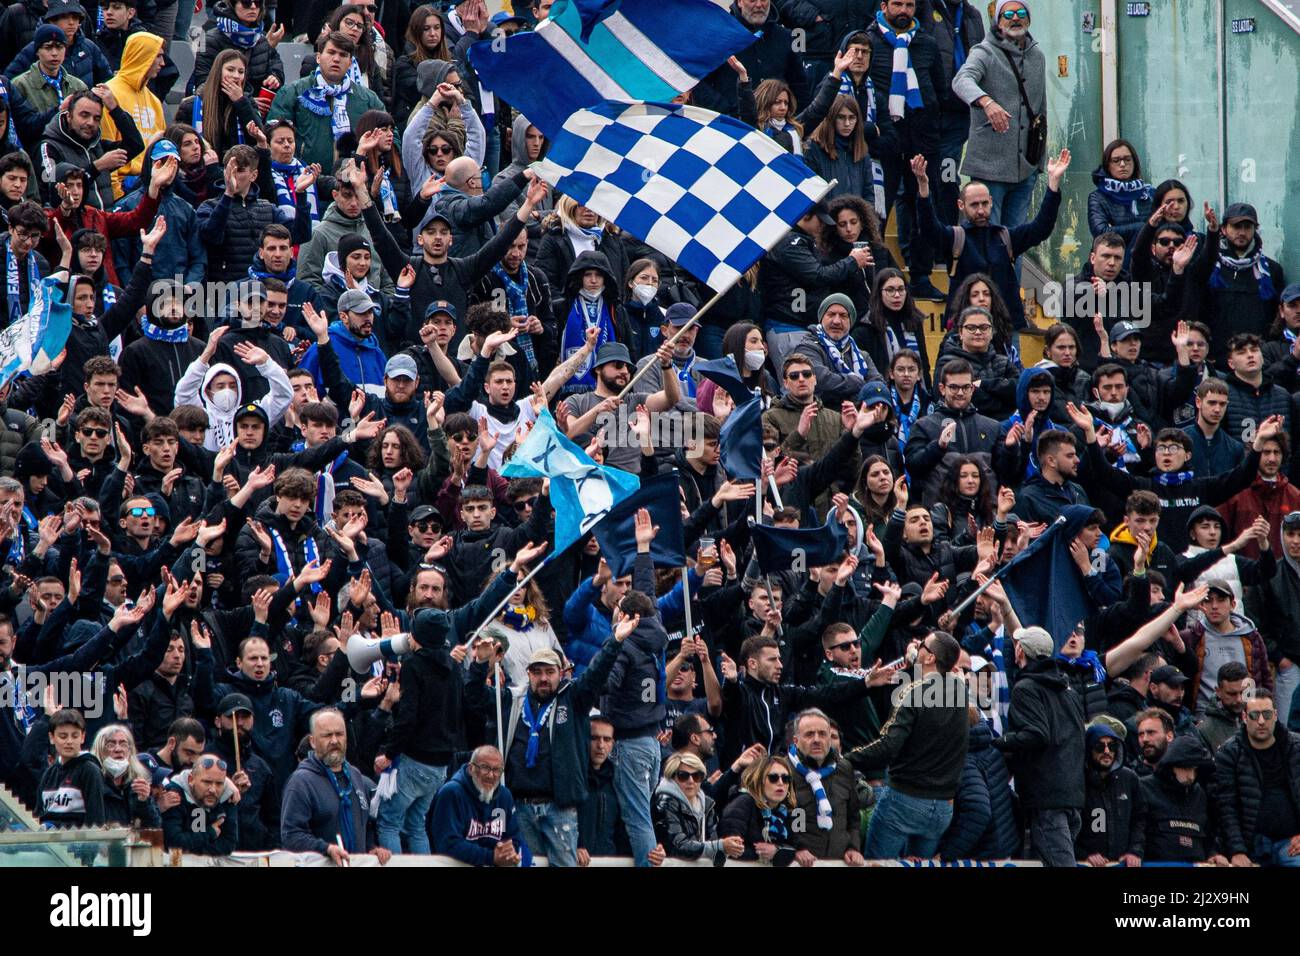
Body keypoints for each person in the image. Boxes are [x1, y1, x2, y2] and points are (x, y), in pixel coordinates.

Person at [846, 632, 967, 859]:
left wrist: (847, 758)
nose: (916, 646)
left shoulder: (912, 692)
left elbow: (888, 747)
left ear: (930, 658)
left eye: (922, 644)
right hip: (942, 809)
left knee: (877, 864)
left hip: (904, 801)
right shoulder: (960, 691)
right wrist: (915, 658)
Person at [867, 0, 944, 300]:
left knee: (923, 205)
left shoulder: (926, 43)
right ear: (884, 6)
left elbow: (939, 89)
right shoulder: (869, 41)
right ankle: (875, 276)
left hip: (921, 139)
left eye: (909, 5)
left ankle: (921, 274)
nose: (903, 10)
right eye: (897, 4)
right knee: (878, 208)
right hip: (885, 138)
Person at [993, 626, 1085, 866]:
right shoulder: (1069, 691)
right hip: (1072, 794)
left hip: (1046, 799)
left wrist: (998, 741)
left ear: (1020, 651)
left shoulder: (1026, 688)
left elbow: (1036, 735)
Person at [951, 0, 1044, 229]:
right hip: (989, 168)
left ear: (1028, 19)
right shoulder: (984, 51)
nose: (1015, 18)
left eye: (1021, 12)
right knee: (988, 239)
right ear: (998, 21)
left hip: (1025, 168)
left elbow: (1041, 112)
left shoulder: (1037, 56)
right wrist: (986, 102)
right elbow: (961, 80)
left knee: (1016, 241)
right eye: (1008, 14)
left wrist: (1039, 162)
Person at [1183, 202, 1286, 367]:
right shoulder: (1210, 266)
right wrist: (1212, 232)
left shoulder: (1271, 271)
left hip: (1256, 359)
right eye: (1236, 226)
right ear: (1224, 229)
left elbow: (1277, 316)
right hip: (1216, 359)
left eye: (1247, 227)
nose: (1242, 232)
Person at [281, 708, 389, 865]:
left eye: (339, 734)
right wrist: (326, 849)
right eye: (327, 735)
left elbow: (365, 826)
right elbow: (291, 835)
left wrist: (372, 848)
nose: (334, 741)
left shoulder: (356, 776)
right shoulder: (301, 782)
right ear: (312, 741)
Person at [265, 32, 386, 171]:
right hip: (305, 180)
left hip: (352, 183)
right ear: (318, 57)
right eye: (331, 52)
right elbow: (272, 135)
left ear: (351, 62)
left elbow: (390, 134)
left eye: (343, 55)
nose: (336, 59)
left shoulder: (367, 99)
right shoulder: (292, 92)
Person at [1214, 690, 1300, 867]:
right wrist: (1237, 851)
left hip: (1292, 844)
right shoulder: (1229, 753)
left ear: (1275, 715)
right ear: (1244, 717)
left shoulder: (1296, 747)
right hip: (1251, 846)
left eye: (1267, 714)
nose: (1261, 721)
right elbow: (1226, 806)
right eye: (1254, 715)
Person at [38, 87, 144, 209]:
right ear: (68, 116)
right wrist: (96, 167)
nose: (90, 123)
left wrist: (115, 109)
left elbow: (135, 144)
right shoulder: (48, 147)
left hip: (103, 222)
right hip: (71, 224)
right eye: (84, 115)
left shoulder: (97, 147)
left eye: (96, 118)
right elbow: (52, 190)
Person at [430, 746, 525, 867]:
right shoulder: (451, 793)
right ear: (471, 768)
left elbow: (514, 839)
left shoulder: (505, 796)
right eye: (485, 767)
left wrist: (509, 853)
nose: (491, 775)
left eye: (497, 770)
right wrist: (491, 857)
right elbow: (448, 844)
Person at [1139, 734, 1224, 864]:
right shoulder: (1145, 788)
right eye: (1186, 768)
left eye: (1194, 770)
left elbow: (1208, 834)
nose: (1191, 776)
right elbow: (1136, 832)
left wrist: (1212, 854)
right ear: (1171, 765)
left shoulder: (1199, 794)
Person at [651, 751, 744, 864]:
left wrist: (730, 848)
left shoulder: (707, 804)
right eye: (683, 776)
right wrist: (720, 845)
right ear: (672, 777)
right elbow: (678, 845)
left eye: (696, 776)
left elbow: (712, 843)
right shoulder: (665, 802)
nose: (691, 781)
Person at [1076, 716, 1144, 866]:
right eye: (1100, 747)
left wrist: (1135, 850)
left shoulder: (1129, 778)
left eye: (1112, 746)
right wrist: (1084, 854)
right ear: (1089, 749)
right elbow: (1068, 826)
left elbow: (1139, 819)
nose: (1107, 751)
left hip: (1123, 863)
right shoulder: (1077, 780)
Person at [718, 753, 798, 866]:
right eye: (773, 778)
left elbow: (798, 846)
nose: (781, 783)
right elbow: (731, 849)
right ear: (758, 780)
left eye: (786, 779)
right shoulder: (742, 803)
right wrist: (762, 853)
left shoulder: (788, 810)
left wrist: (777, 850)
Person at [1087, 138, 1152, 265]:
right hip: (1111, 264)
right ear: (1107, 164)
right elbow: (1101, 233)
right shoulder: (1097, 197)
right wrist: (1142, 227)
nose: (1122, 164)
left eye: (1127, 159)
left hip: (1144, 263)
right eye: (1116, 160)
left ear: (1135, 162)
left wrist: (1115, 228)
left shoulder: (1148, 194)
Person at [160, 753, 239, 855]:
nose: (213, 790)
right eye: (207, 782)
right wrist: (209, 833)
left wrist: (193, 849)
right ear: (191, 780)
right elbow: (174, 843)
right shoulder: (174, 794)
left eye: (219, 783)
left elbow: (228, 845)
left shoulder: (229, 795)